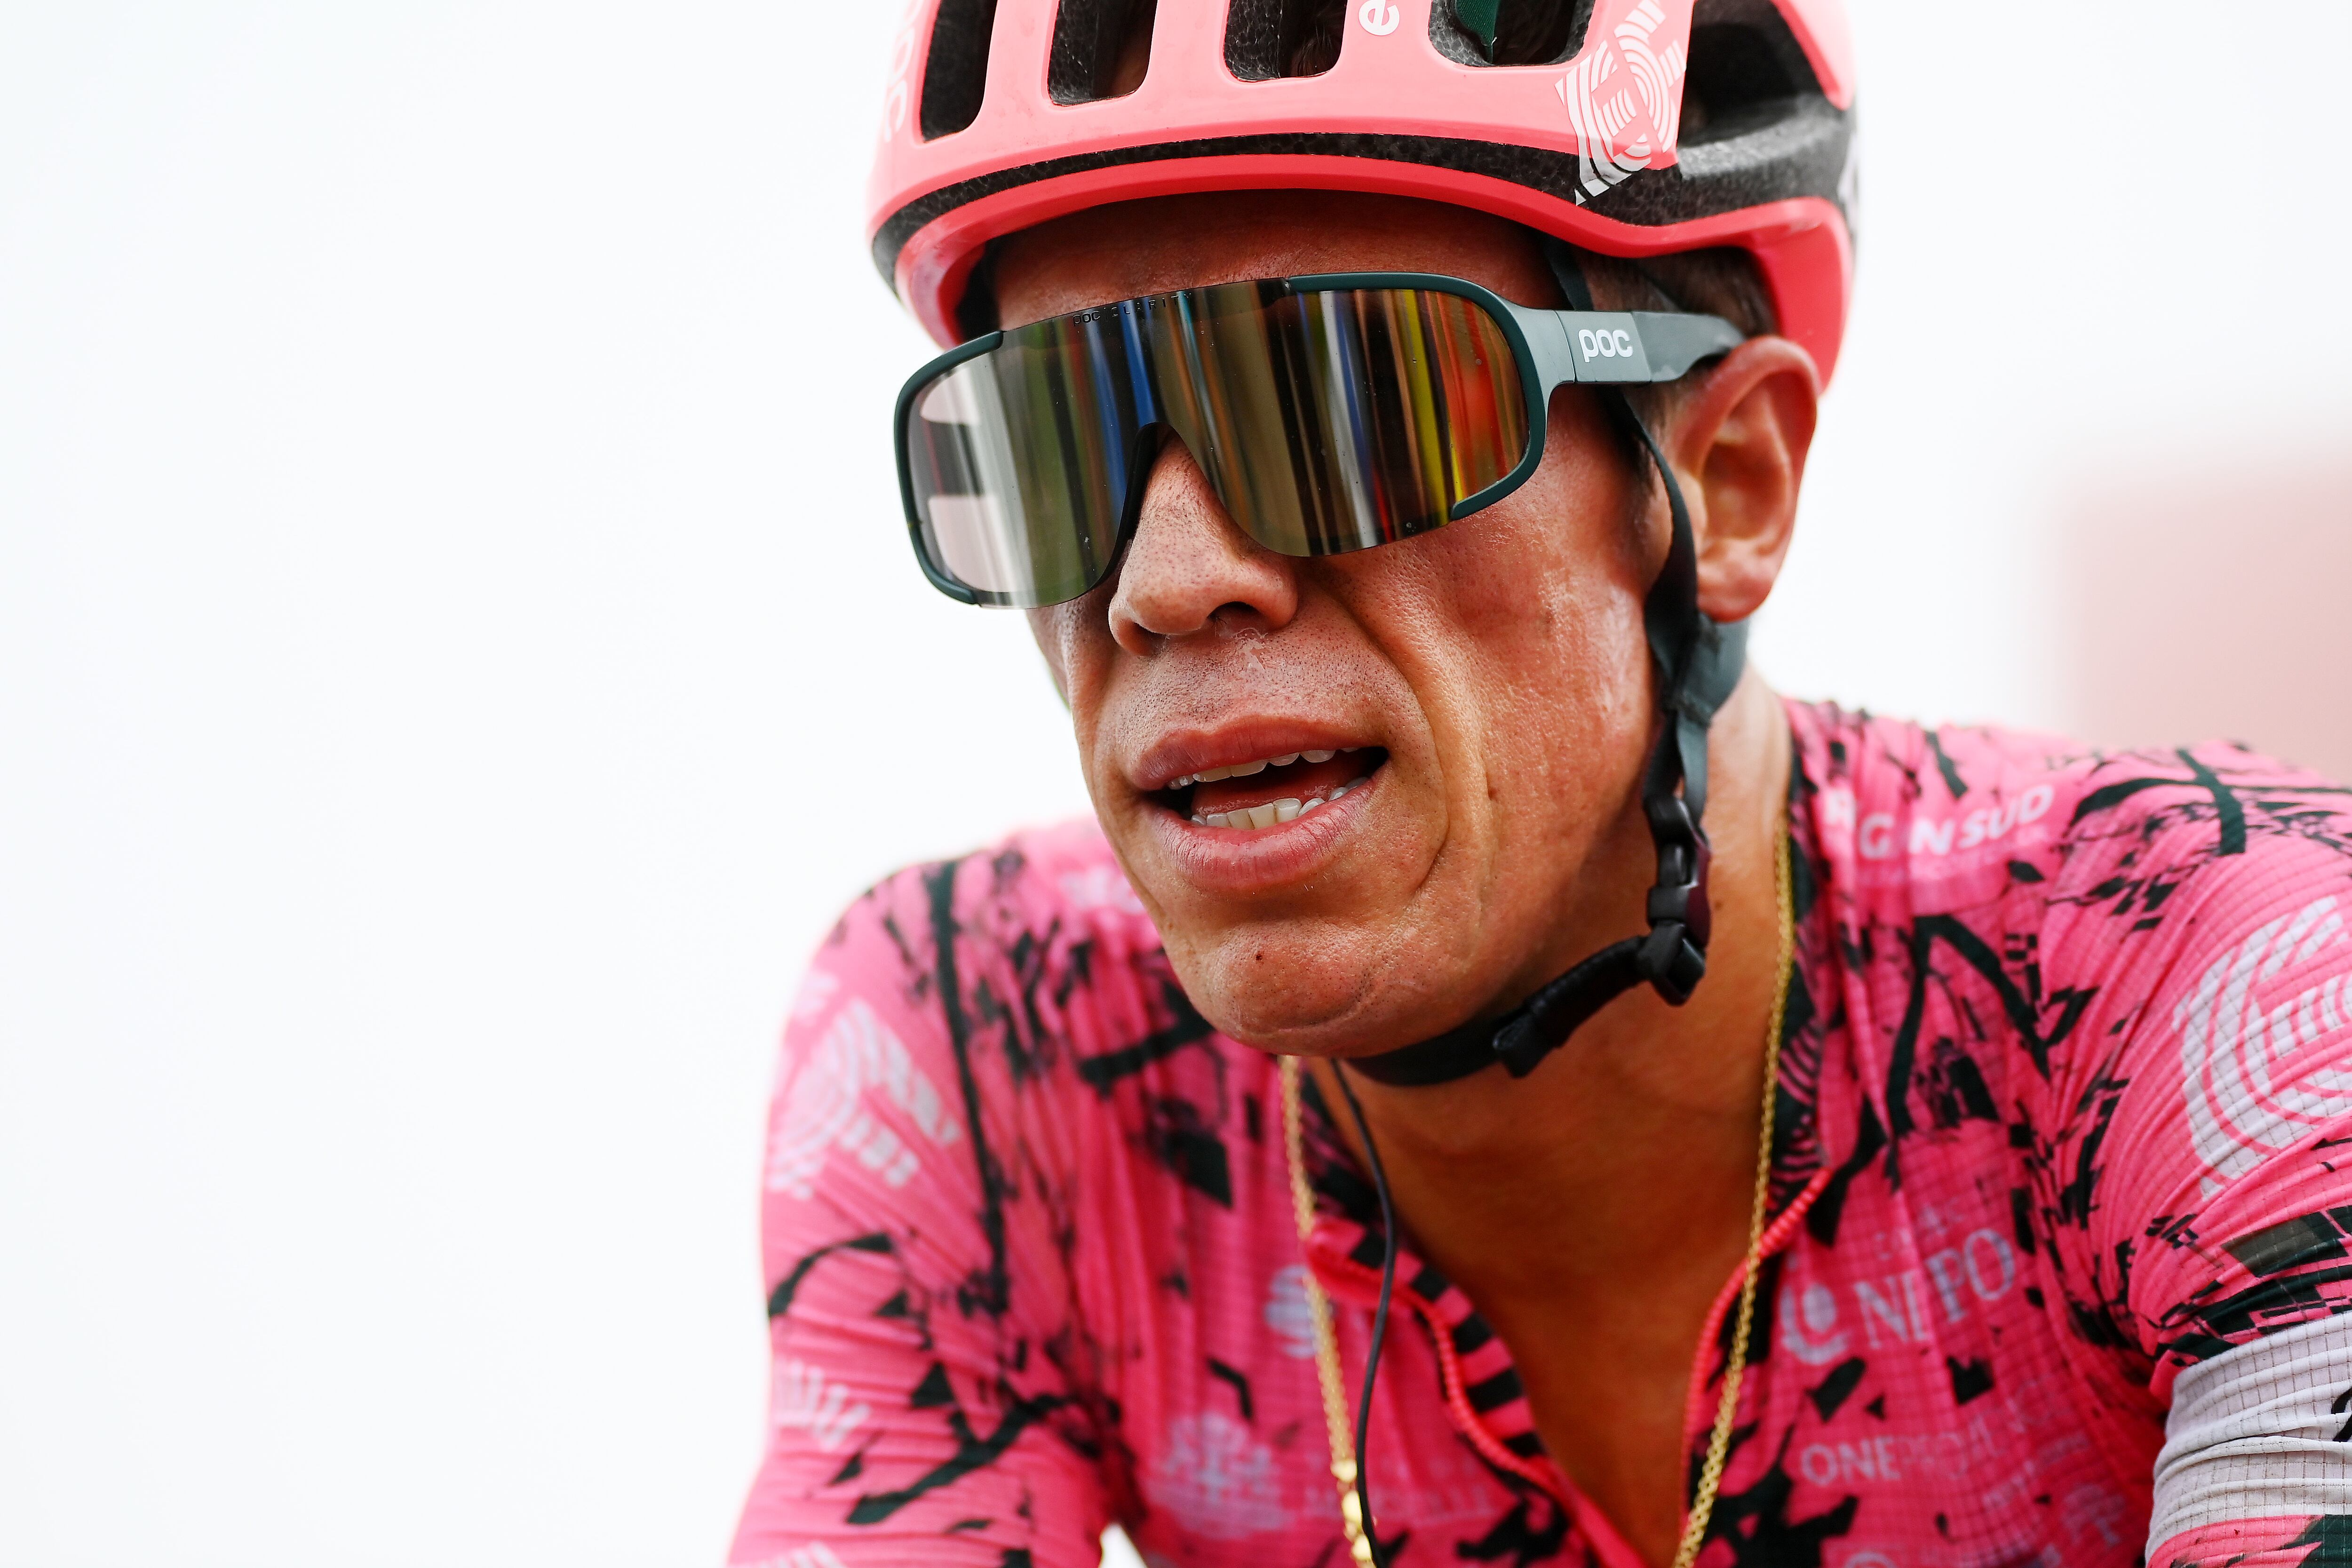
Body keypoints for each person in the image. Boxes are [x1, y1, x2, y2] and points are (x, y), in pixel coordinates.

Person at [733, 2, 2352, 1564]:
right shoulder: (982, 1044)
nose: (1166, 580)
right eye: (1052, 439)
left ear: (1726, 486)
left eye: (1343, 399)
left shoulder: (2230, 994)